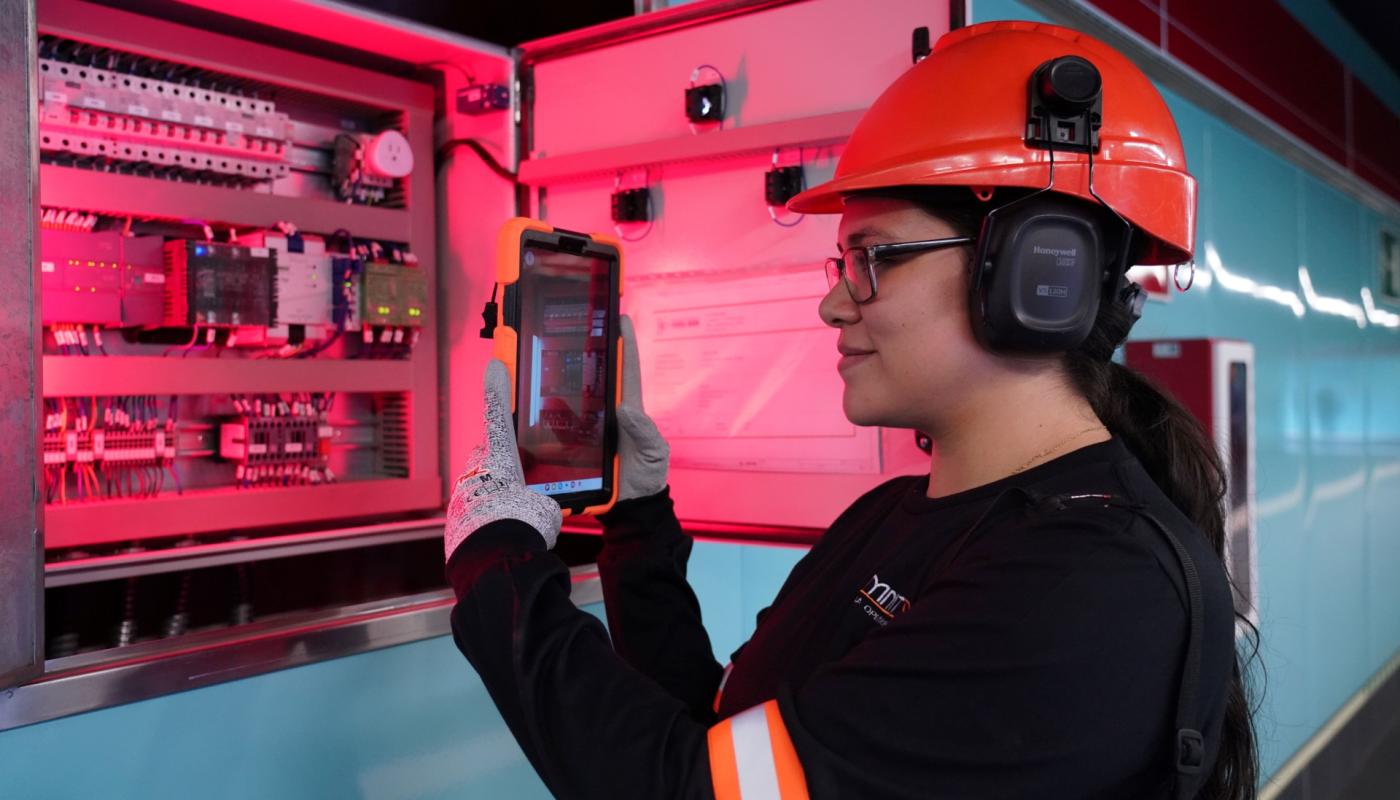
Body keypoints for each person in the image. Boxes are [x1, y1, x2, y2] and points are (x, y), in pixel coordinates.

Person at [443, 20, 1259, 800]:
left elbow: (686, 791)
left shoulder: (1090, 586)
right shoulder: (895, 516)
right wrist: (638, 518)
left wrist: (495, 565)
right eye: (842, 262)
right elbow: (719, 737)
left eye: (873, 257)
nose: (834, 304)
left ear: (1039, 271)